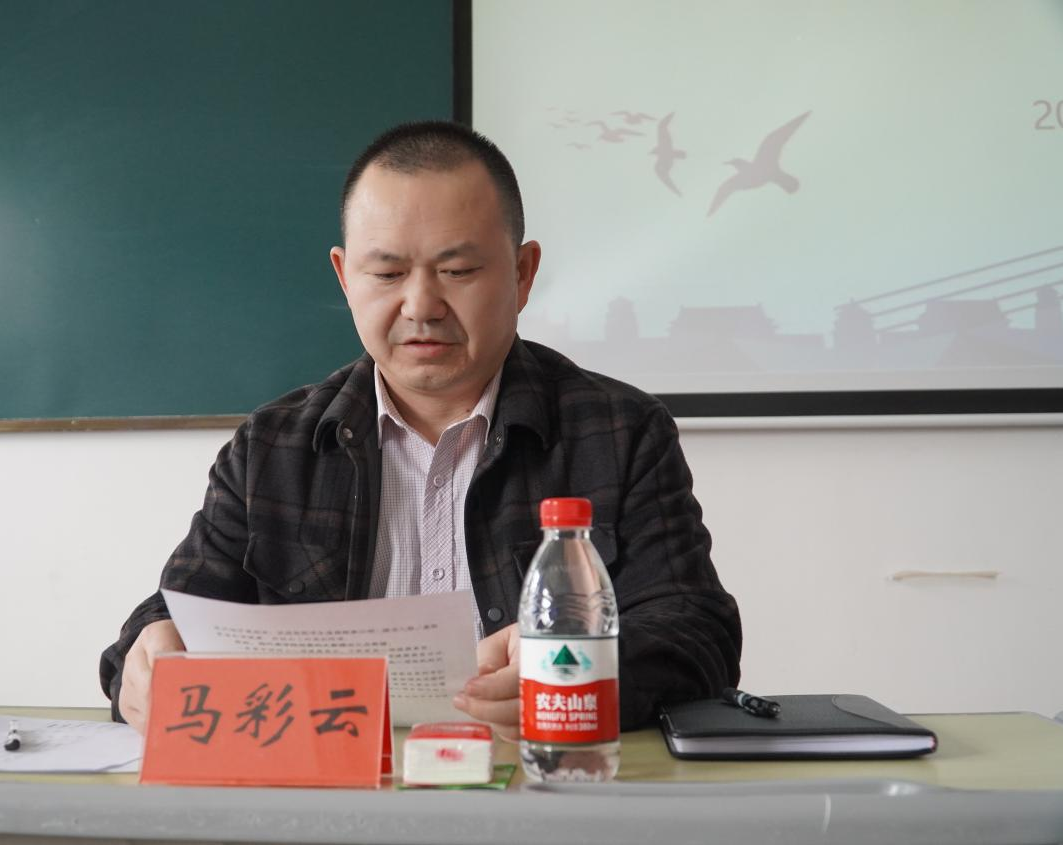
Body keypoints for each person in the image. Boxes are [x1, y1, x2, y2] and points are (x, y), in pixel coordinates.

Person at [100, 121, 741, 738]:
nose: (421, 306)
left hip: (538, 783)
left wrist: (577, 665)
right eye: (386, 274)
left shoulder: (621, 433)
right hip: (330, 793)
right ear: (344, 277)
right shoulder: (271, 447)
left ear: (523, 273)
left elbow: (697, 630)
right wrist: (146, 653)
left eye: (457, 271)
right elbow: (178, 612)